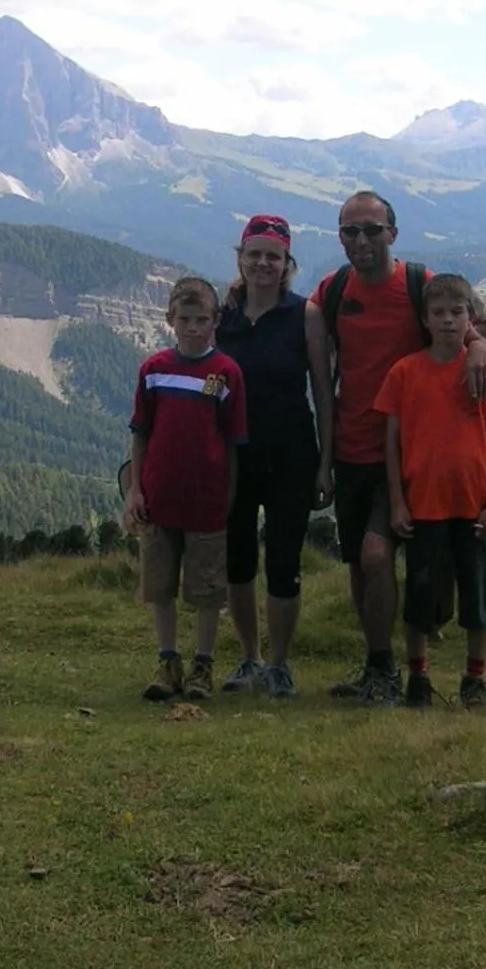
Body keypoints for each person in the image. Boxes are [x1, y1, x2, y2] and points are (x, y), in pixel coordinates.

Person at [309, 191, 486, 703]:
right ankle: (381, 665)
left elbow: (462, 326)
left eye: (372, 230)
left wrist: (479, 347)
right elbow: (320, 374)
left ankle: (397, 668)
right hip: (352, 449)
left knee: (379, 558)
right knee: (360, 565)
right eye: (350, 232)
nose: (361, 241)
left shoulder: (419, 285)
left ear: (393, 233)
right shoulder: (333, 290)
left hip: (408, 454)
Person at [378, 273, 486, 710]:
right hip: (422, 505)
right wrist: (398, 500)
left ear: (470, 318)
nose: (446, 321)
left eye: (456, 313)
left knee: (479, 596)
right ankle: (418, 678)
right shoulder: (405, 373)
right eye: (437, 313)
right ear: (424, 319)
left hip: (474, 505)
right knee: (420, 594)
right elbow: (392, 443)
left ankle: (474, 679)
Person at [215, 214, 334, 698]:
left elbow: (324, 392)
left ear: (287, 263)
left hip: (291, 453)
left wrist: (327, 462)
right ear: (241, 258)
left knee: (284, 561)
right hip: (234, 455)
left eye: (274, 256)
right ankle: (249, 657)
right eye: (255, 254)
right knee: (237, 559)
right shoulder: (222, 316)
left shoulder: (305, 315)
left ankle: (279, 663)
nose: (264, 263)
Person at [125, 276, 248, 702]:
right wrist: (135, 490)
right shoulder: (154, 371)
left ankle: (203, 663)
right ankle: (168, 659)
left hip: (208, 500)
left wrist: (229, 494)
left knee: (208, 588)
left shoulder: (225, 373)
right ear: (170, 320)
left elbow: (232, 439)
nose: (194, 328)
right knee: (159, 584)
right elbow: (140, 433)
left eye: (202, 320)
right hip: (159, 498)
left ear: (215, 320)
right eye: (185, 319)